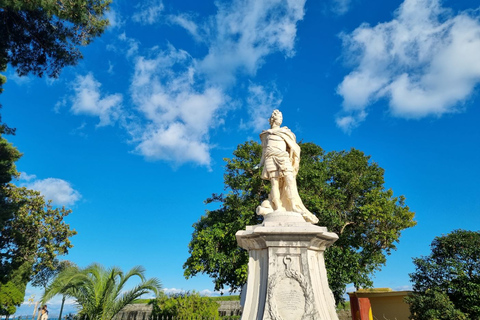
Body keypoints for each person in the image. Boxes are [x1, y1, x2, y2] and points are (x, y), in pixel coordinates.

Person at [255, 110, 318, 223]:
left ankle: (293, 205)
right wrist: (260, 163)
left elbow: (293, 147)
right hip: (270, 157)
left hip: (283, 157)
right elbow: (264, 150)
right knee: (274, 183)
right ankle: (278, 207)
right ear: (273, 119)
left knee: (290, 179)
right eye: (279, 117)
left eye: (281, 117)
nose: (280, 119)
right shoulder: (266, 134)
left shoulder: (286, 132)